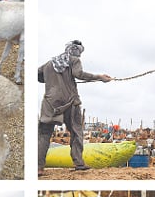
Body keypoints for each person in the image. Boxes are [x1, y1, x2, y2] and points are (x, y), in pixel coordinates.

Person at [37, 40, 113, 175]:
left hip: (50, 103)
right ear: (78, 52)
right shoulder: (74, 60)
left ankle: (38, 167)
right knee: (76, 131)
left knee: (44, 134)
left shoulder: (49, 63)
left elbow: (38, 75)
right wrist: (99, 77)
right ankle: (79, 163)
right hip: (69, 102)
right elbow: (79, 74)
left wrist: (52, 79)